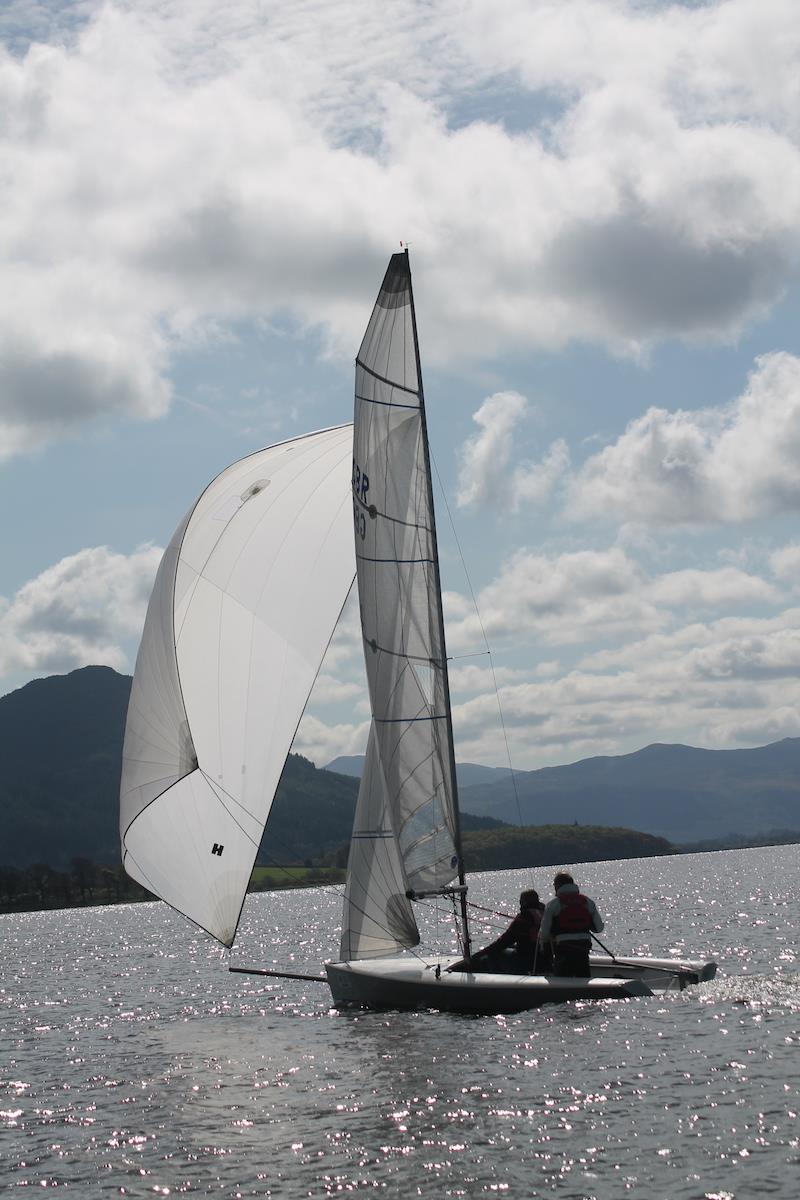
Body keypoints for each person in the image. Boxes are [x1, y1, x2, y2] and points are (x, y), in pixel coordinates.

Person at [466, 889, 550, 975]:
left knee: (493, 954)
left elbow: (502, 942)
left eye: (520, 901)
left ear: (524, 902)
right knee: (511, 948)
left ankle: (497, 980)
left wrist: (477, 955)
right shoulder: (546, 914)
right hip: (544, 960)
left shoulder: (524, 918)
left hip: (527, 962)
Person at [538, 871, 603, 977]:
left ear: (558, 886)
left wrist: (544, 948)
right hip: (583, 946)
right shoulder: (588, 902)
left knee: (562, 977)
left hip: (564, 947)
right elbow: (599, 928)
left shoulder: (553, 905)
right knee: (583, 976)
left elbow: (544, 933)